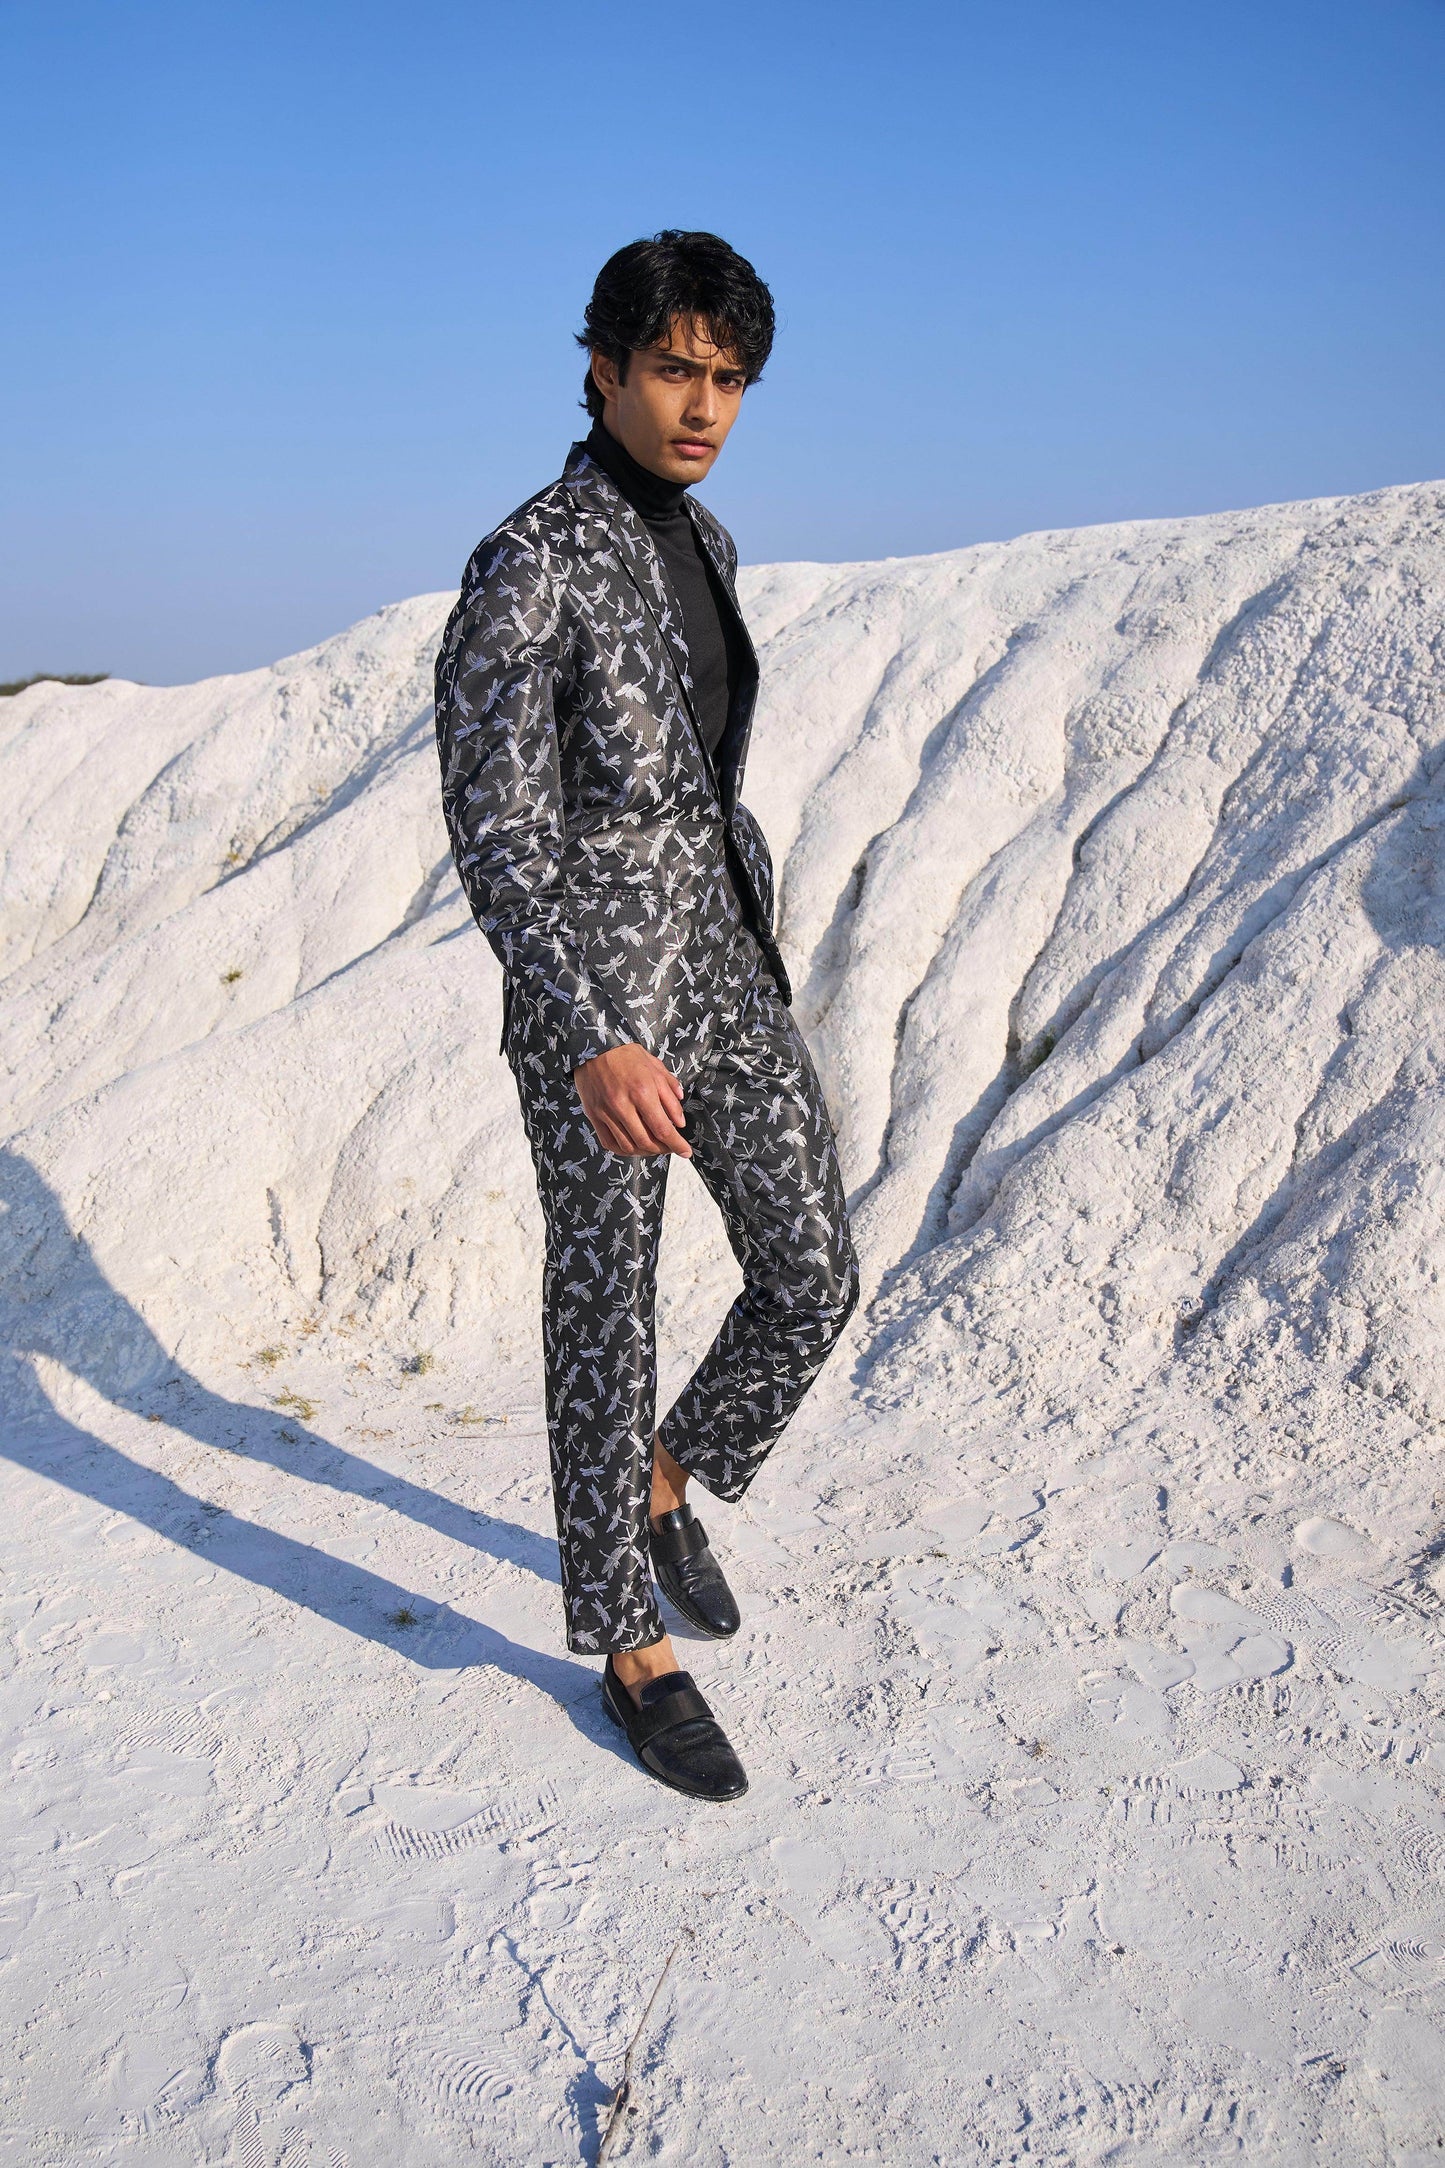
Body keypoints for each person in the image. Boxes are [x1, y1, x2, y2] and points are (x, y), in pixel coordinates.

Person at [434, 230, 859, 1800]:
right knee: (606, 1311)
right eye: (675, 370)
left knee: (812, 1272)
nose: (703, 407)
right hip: (597, 1004)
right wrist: (586, 1031)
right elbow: (497, 834)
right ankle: (625, 1645)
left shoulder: (709, 540)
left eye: (729, 379)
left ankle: (664, 1480)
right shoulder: (527, 562)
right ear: (603, 369)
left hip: (724, 969)